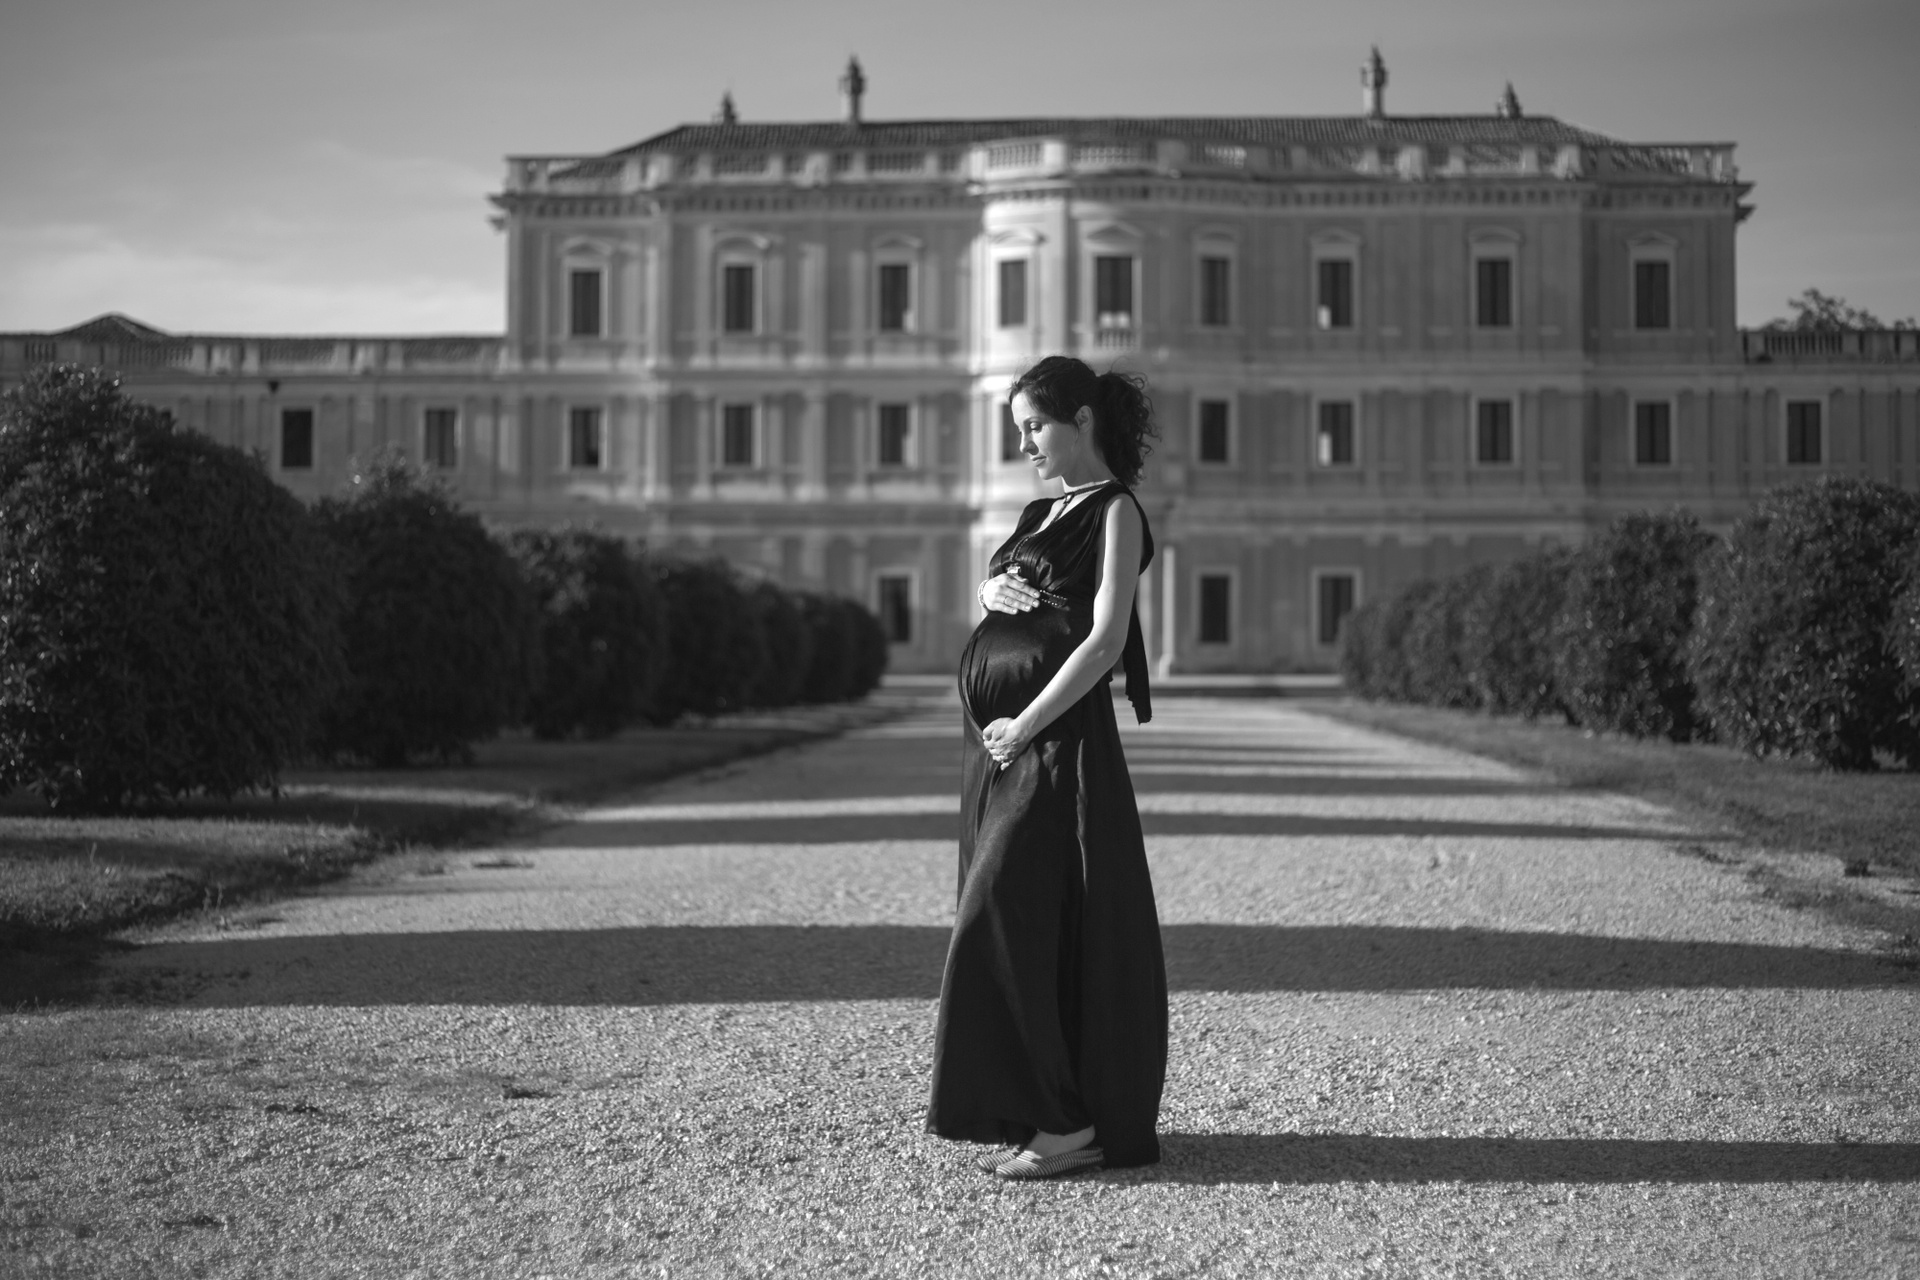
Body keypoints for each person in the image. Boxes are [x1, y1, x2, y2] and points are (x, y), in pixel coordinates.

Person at [925, 355, 1168, 1180]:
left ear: (1083, 421)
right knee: (1018, 919)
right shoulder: (1038, 513)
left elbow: (1104, 642)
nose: (1025, 443)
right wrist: (987, 594)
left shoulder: (1115, 511)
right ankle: (1040, 1112)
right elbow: (1006, 596)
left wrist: (1026, 723)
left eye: (1035, 426)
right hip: (995, 749)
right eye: (1020, 429)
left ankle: (1067, 1123)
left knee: (1004, 914)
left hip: (1054, 748)